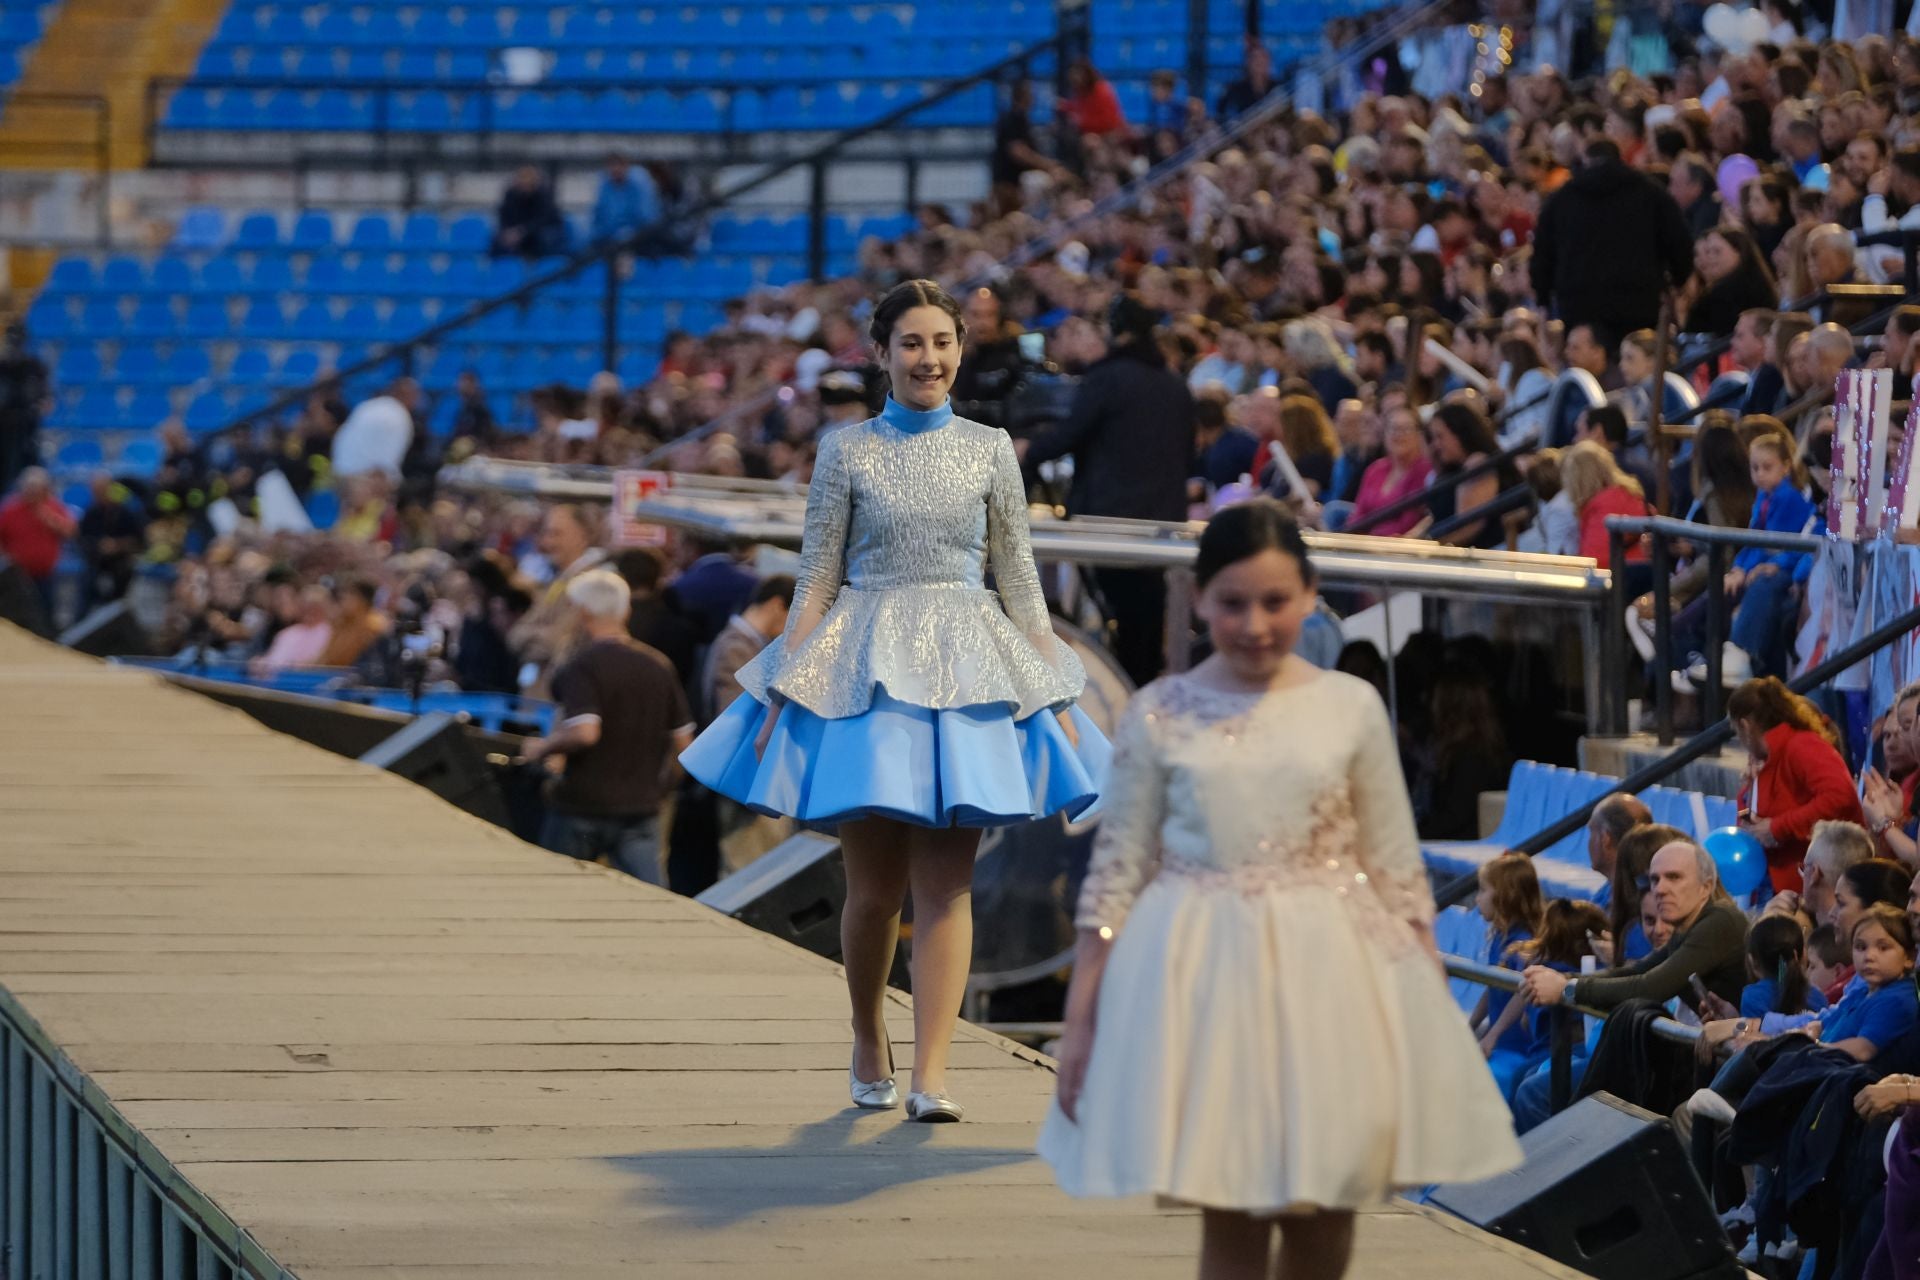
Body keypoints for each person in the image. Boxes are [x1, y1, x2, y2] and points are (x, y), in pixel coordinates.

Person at [1040, 500, 1520, 1280]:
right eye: (1232, 604)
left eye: (1275, 602)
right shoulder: (1161, 713)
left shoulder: (1350, 706)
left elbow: (1397, 865)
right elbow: (1116, 873)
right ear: (1198, 599)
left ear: (1310, 593)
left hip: (1333, 969)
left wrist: (1425, 986)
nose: (1254, 624)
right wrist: (1085, 1013)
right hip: (1205, 973)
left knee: (1323, 1208)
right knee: (1230, 1206)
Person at [681, 279, 1109, 1123]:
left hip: (969, 663)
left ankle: (932, 1075)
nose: (931, 359)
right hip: (865, 664)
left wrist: (1051, 686)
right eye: (912, 344)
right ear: (881, 355)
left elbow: (1019, 577)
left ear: (961, 348)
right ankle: (867, 1033)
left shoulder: (992, 448)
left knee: (949, 888)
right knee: (873, 892)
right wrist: (780, 681)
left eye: (943, 342)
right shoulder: (845, 450)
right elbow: (816, 578)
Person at [1020, 291, 1195, 685]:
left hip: (1107, 521)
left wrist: (1027, 448)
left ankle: (1127, 690)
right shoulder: (1175, 385)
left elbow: (1068, 434)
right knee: (1145, 619)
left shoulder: (1106, 379)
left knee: (1128, 621)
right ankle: (1143, 687)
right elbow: (1188, 455)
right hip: (1162, 523)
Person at [524, 570, 693, 886]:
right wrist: (660, 789)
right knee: (653, 904)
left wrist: (542, 748)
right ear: (625, 611)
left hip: (581, 805)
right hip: (641, 810)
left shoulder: (583, 667)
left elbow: (586, 732)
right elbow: (684, 743)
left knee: (556, 896)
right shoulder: (658, 665)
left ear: (583, 613)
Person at [1521, 838, 1750, 1015]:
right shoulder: (1686, 928)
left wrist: (1567, 989)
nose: (1660, 889)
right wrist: (1563, 977)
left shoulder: (1720, 921)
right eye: (1655, 879)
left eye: (1674, 877)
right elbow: (1637, 971)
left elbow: (1650, 987)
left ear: (1705, 887)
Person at [1530, 139, 1693, 343]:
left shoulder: (1562, 198)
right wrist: (1678, 279)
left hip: (1579, 305)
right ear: (1620, 158)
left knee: (1587, 369)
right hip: (1639, 302)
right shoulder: (1650, 192)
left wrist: (1543, 299)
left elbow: (1542, 255)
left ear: (1585, 160)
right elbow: (1680, 243)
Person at [1730, 676, 1865, 893]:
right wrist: (1745, 793)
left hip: (1809, 884)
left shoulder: (1801, 745)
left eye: (1736, 732)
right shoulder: (1765, 759)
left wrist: (1778, 827)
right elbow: (1748, 820)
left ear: (1745, 726)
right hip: (1778, 882)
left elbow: (1840, 795)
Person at [704, 575, 793, 721]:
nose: (794, 628)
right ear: (778, 605)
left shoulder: (746, 644)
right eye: (795, 616)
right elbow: (735, 717)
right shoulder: (736, 648)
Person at [1561, 440, 1651, 574]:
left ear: (1577, 481)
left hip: (1623, 584)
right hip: (1644, 576)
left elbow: (1596, 564)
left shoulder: (1602, 508)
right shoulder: (1630, 494)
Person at [1347, 400, 1432, 537]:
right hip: (1362, 542)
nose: (1398, 435)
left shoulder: (1424, 471)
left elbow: (1408, 523)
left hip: (1395, 547)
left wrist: (1372, 536)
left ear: (1418, 435)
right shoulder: (1375, 469)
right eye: (1393, 428)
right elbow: (1357, 515)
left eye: (1405, 429)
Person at [0, 466, 75, 613]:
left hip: (46, 574)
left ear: (44, 489)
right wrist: (5, 558)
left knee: (45, 611)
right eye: (29, 487)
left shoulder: (54, 508)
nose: (32, 492)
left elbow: (70, 532)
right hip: (17, 575)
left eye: (36, 488)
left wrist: (50, 519)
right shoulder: (10, 510)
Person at [1683, 225, 1780, 337]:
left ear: (1739, 252)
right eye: (1708, 252)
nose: (1709, 258)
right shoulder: (1759, 285)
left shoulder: (1722, 296)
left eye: (1717, 251)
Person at [75, 472, 144, 609]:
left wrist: (117, 545)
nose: (99, 495)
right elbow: (82, 539)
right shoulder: (91, 513)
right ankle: (82, 621)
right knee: (87, 583)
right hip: (96, 560)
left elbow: (139, 540)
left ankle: (116, 611)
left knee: (124, 575)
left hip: (120, 561)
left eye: (102, 491)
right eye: (96, 492)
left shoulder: (126, 513)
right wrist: (99, 546)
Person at [331, 378, 420, 482]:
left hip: (341, 471)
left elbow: (342, 436)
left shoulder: (368, 405)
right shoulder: (399, 416)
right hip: (366, 480)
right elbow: (388, 462)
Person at [0, 322, 49, 497]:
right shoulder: (3, 366)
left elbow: (45, 400)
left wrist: (38, 405)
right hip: (4, 427)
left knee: (27, 469)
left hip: (25, 427)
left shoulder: (33, 367)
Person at [491, 165, 568, 258]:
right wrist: (508, 232)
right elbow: (504, 215)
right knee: (498, 241)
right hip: (520, 231)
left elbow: (543, 219)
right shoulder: (510, 195)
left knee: (543, 239)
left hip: (544, 230)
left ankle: (537, 264)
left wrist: (522, 231)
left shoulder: (544, 195)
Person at [589, 153, 661, 247]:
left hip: (638, 238)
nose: (615, 169)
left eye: (618, 165)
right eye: (612, 166)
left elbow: (645, 217)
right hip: (609, 239)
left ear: (626, 167)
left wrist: (629, 233)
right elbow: (599, 218)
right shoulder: (604, 188)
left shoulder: (638, 186)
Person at [1216, 43, 1274, 121]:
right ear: (1248, 63)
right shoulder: (1235, 89)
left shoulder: (1277, 87)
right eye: (1256, 61)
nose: (1260, 64)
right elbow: (1222, 113)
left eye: (1263, 61)